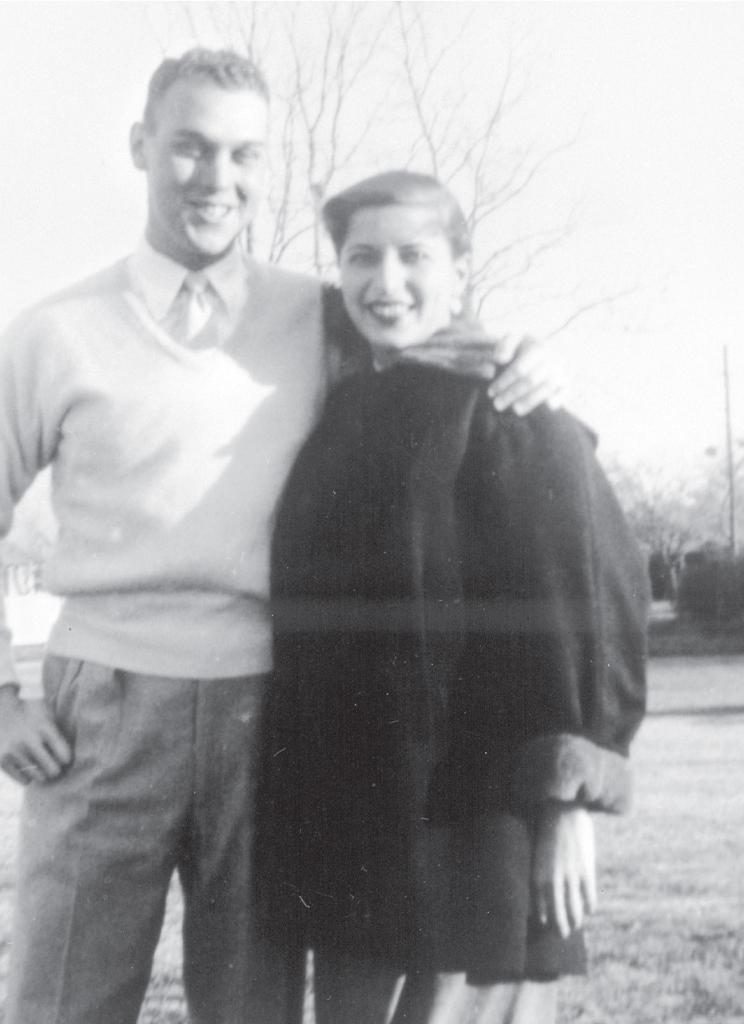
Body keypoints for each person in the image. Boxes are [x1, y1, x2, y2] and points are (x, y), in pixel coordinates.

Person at [0, 51, 559, 1024]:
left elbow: (438, 337)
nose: (217, 179)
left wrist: (525, 354)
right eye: (190, 148)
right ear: (141, 148)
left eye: (243, 154)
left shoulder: (322, 312)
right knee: (64, 997)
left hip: (275, 707)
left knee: (251, 1004)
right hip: (106, 705)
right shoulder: (54, 331)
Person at [260, 171, 649, 1024]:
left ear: (461, 272)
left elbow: (586, 606)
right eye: (362, 256)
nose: (385, 282)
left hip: (481, 833)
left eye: (413, 255)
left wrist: (566, 803)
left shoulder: (512, 407)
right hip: (359, 829)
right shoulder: (345, 407)